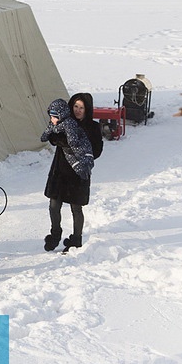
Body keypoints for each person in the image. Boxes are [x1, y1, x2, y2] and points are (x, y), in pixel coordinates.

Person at [42, 94, 102, 252]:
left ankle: (76, 239)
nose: (78, 110)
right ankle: (55, 234)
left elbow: (97, 150)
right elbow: (53, 138)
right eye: (75, 106)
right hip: (60, 171)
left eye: (81, 107)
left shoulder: (94, 127)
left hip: (78, 173)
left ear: (87, 109)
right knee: (54, 206)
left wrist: (79, 151)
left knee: (76, 208)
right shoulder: (65, 121)